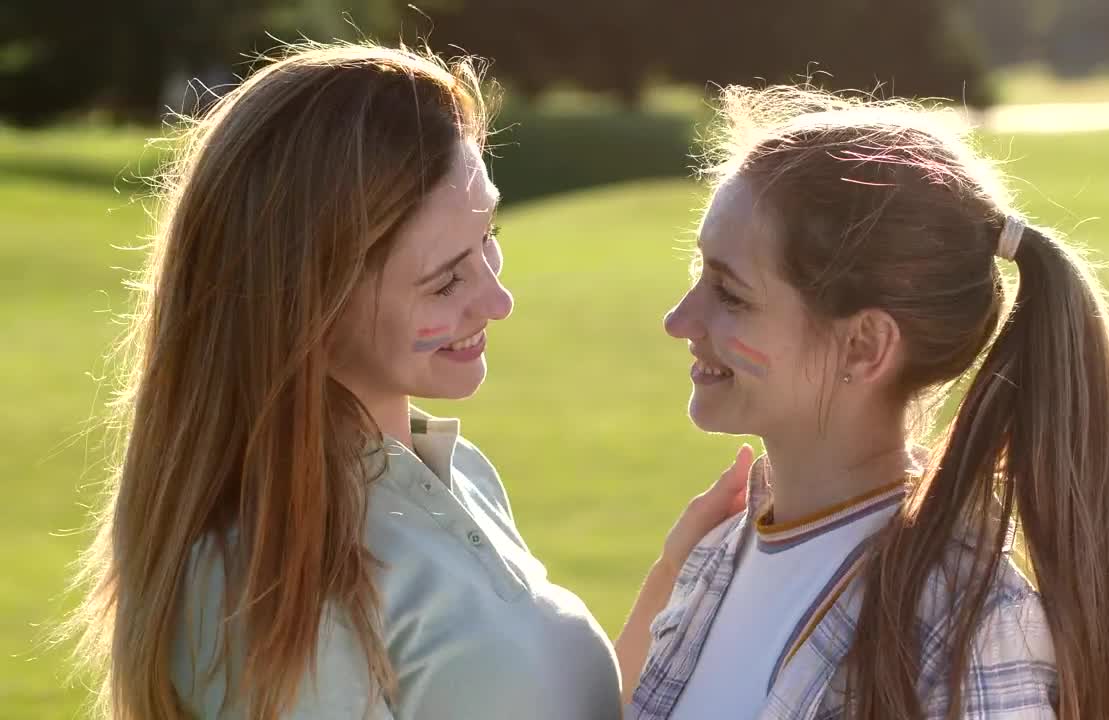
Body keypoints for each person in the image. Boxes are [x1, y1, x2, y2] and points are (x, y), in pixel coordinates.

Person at [64, 42, 748, 719]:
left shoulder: (455, 472)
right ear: (309, 304)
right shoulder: (258, 579)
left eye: (489, 239)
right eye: (446, 278)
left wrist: (674, 579)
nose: (497, 300)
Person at [629, 85, 1109, 720]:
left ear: (864, 346)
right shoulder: (714, 560)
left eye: (730, 294)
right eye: (697, 272)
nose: (679, 319)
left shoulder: (962, 632)